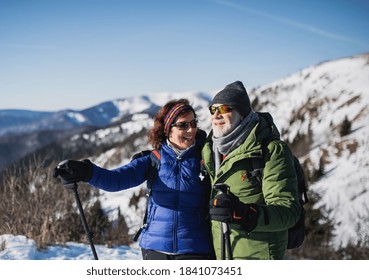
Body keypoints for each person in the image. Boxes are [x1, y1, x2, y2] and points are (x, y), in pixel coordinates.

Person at [53, 99, 214, 260]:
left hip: (194, 249)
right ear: (168, 129)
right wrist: (85, 171)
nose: (191, 129)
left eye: (193, 123)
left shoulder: (206, 158)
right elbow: (115, 180)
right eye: (183, 125)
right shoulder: (154, 159)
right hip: (155, 249)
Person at [201, 81, 302, 260]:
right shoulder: (211, 150)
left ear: (242, 113)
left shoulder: (270, 150)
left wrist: (247, 214)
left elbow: (289, 211)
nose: (216, 115)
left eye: (224, 109)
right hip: (222, 254)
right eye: (213, 109)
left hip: (258, 256)